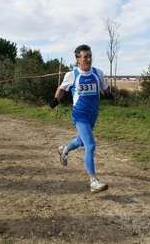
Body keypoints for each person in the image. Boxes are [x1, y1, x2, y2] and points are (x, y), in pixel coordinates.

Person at [49, 44, 114, 193]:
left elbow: (104, 88)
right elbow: (61, 89)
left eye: (90, 56)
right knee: (90, 145)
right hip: (79, 115)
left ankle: (64, 150)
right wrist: (56, 100)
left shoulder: (98, 73)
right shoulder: (72, 75)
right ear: (78, 59)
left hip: (93, 115)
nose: (89, 59)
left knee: (80, 140)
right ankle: (93, 181)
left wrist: (108, 94)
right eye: (85, 57)